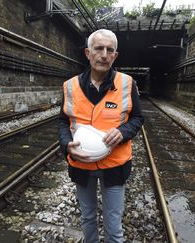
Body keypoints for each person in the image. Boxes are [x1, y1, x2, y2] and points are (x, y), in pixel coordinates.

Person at [58, 29, 144, 242]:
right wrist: (67, 144)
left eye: (110, 50)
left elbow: (138, 118)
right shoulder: (70, 86)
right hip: (81, 166)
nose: (104, 54)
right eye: (99, 48)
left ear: (115, 56)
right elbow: (63, 121)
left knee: (113, 225)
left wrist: (123, 132)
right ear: (88, 53)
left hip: (114, 166)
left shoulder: (127, 84)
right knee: (87, 219)